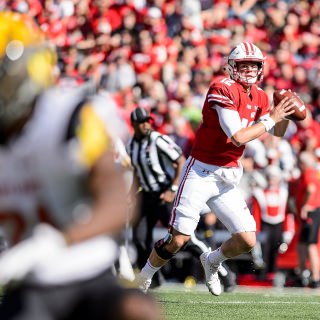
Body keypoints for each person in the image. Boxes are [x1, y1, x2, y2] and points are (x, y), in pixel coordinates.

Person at [0, 11, 161, 320]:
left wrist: (58, 240)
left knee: (137, 311)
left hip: (89, 274)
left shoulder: (67, 117)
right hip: (28, 287)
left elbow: (117, 203)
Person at [136, 42, 296, 295]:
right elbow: (238, 137)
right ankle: (144, 277)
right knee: (178, 240)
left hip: (228, 175)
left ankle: (212, 260)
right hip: (201, 171)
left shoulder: (262, 96)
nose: (249, 70)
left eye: (253, 65)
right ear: (232, 67)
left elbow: (277, 132)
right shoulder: (222, 88)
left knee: (247, 240)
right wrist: (270, 118)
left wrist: (285, 113)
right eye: (243, 65)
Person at [295, 151, 320, 288]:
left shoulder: (309, 173)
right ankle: (303, 274)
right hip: (314, 211)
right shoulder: (315, 172)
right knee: (302, 245)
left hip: (311, 212)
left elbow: (310, 189)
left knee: (310, 244)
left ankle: (315, 277)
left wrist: (305, 206)